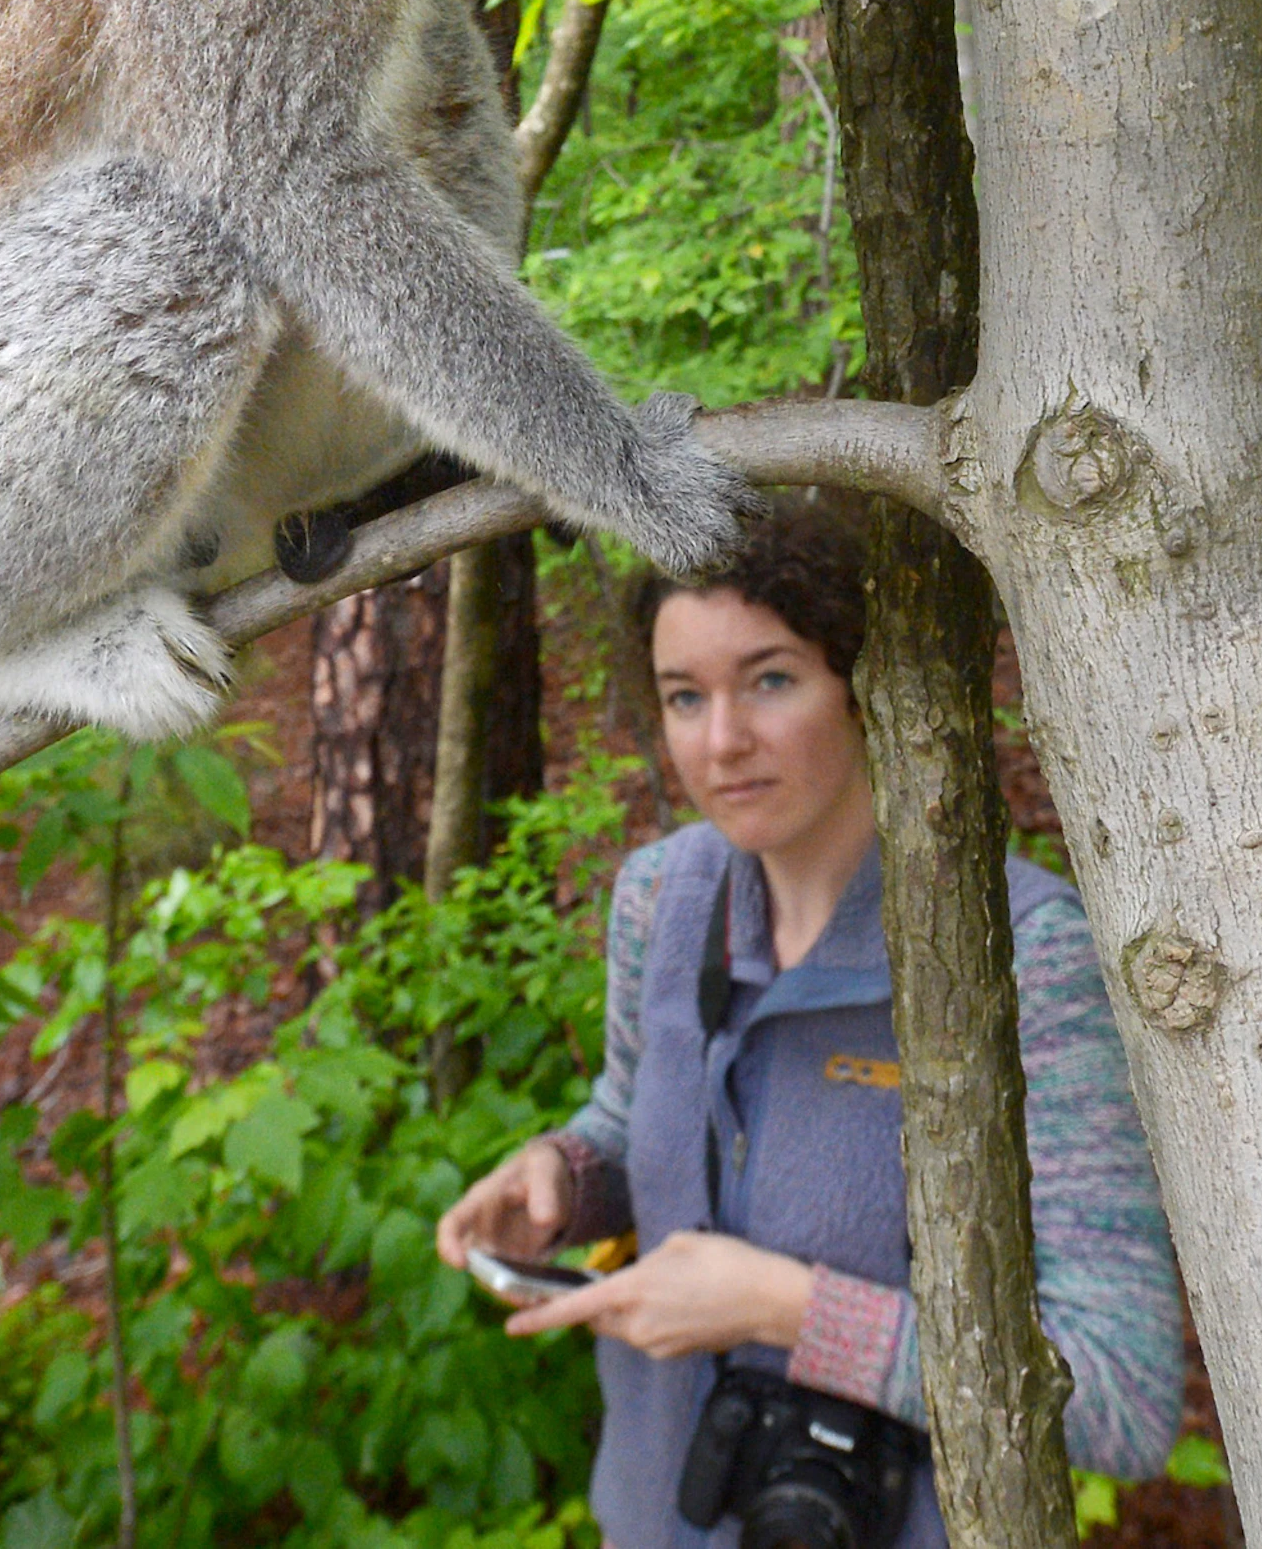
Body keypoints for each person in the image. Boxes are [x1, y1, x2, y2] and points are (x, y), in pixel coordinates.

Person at [435, 500, 1185, 1549]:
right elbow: (632, 1110)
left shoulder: (1020, 954)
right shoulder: (662, 898)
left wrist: (786, 1310)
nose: (723, 741)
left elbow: (1123, 1395)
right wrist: (565, 1177)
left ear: (864, 683)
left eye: (771, 679)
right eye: (683, 698)